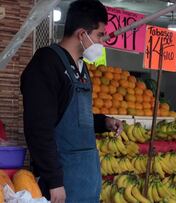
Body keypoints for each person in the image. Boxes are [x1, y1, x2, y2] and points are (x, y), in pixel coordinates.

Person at [20, 1, 122, 202]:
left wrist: (104, 122)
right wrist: (54, 181)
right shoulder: (46, 64)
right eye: (99, 35)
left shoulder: (81, 67)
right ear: (82, 34)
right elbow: (39, 128)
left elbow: (75, 118)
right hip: (61, 183)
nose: (101, 42)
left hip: (86, 179)